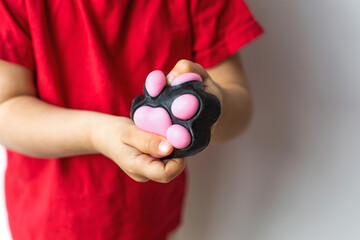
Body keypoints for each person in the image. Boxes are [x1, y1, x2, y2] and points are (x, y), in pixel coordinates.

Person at [0, 0, 263, 239]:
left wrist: (209, 107)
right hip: (48, 226)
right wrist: (97, 133)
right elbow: (6, 110)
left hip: (152, 222)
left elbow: (240, 107)